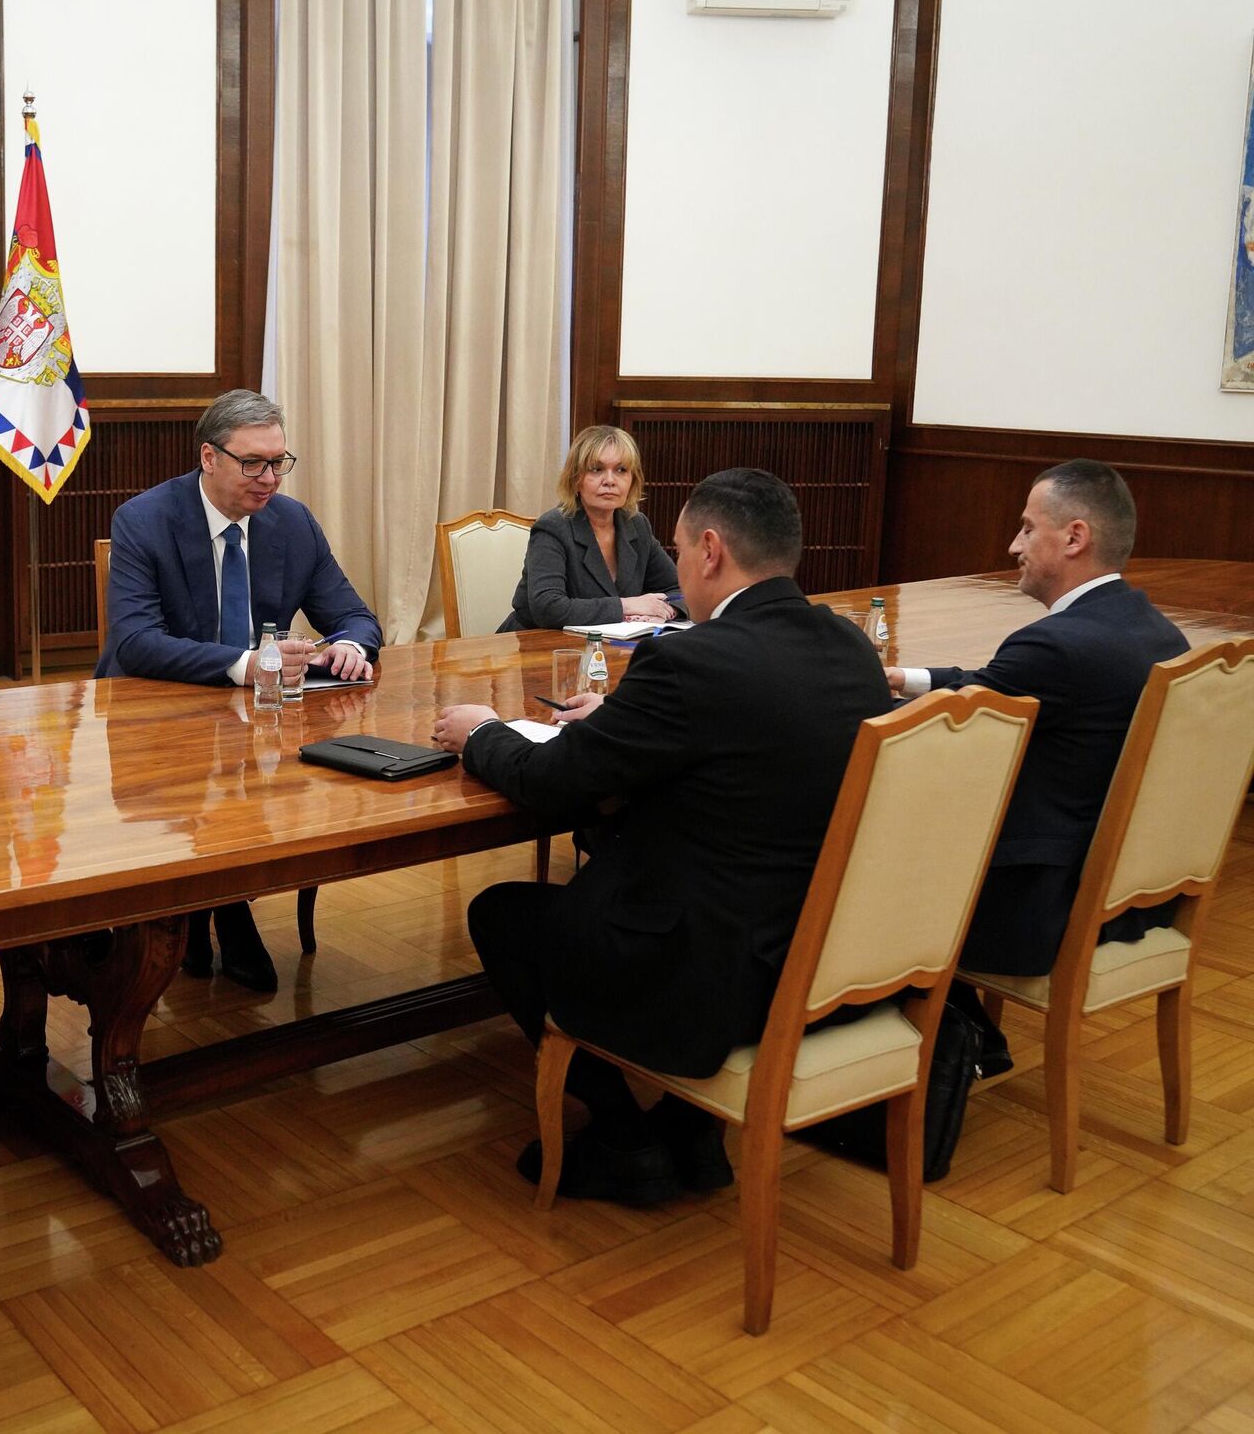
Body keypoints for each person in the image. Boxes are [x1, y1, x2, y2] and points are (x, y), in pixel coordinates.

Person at [433, 468, 892, 1206]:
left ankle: (624, 1140)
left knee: (501, 913)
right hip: (819, 948)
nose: (676, 566)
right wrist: (619, 720)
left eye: (677, 551)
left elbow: (555, 783)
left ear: (710, 550)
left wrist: (483, 732)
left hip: (707, 970)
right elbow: (741, 742)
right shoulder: (849, 646)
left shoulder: (688, 660)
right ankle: (690, 1128)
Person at [885, 460, 1187, 1068]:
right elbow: (995, 682)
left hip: (1040, 908)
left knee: (872, 869)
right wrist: (905, 676)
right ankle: (966, 1035)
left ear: (1074, 538)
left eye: (1026, 528)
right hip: (1136, 899)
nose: (1012, 546)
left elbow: (942, 728)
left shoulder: (1055, 645)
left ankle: (945, 1050)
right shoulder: (1156, 632)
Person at [96, 389, 384, 992]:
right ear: (209, 457)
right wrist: (245, 665)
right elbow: (136, 642)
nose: (270, 478)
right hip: (156, 713)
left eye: (279, 462)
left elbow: (354, 615)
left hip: (256, 717)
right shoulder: (145, 519)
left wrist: (351, 647)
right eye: (253, 463)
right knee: (207, 787)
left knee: (291, 780)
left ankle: (220, 905)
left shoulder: (292, 522)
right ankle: (214, 908)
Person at [498, 425, 681, 632]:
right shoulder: (553, 527)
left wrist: (663, 610)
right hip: (534, 642)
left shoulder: (637, 525)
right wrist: (626, 606)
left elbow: (678, 589)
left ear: (633, 480)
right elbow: (548, 607)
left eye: (621, 470)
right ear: (576, 479)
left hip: (608, 644)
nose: (610, 481)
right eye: (596, 469)